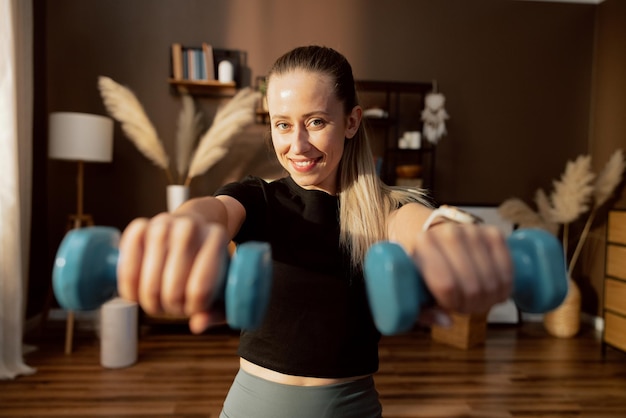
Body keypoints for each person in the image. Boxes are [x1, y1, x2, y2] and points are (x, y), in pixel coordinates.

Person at [117, 45, 513, 418]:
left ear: (351, 122)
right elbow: (215, 213)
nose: (297, 144)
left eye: (316, 122)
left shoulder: (384, 209)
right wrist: (182, 224)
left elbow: (415, 225)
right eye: (283, 125)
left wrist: (441, 232)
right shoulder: (258, 198)